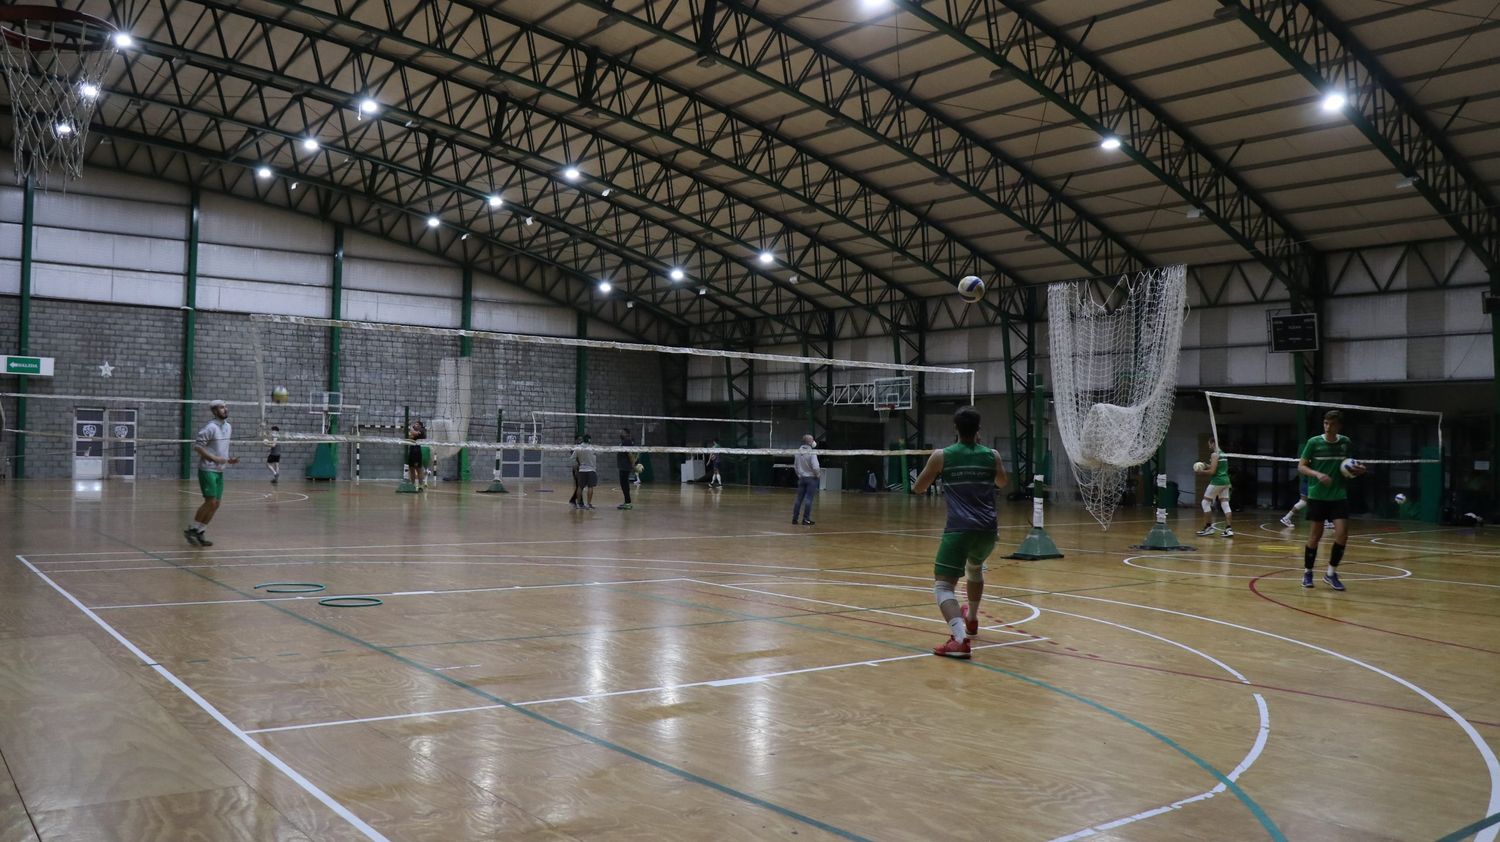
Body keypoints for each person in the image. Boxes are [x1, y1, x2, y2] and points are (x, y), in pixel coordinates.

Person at [913, 407, 1008, 659]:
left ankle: (959, 639)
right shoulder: (992, 455)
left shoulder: (942, 456)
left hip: (959, 529)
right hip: (988, 530)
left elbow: (919, 487)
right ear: (979, 431)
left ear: (955, 429)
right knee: (974, 569)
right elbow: (1002, 483)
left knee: (943, 587)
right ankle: (973, 619)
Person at [1298, 410, 1364, 590]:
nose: (1327, 427)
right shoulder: (1314, 442)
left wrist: (1358, 470)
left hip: (1338, 495)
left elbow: (1351, 465)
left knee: (1342, 534)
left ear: (1339, 426)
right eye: (1325, 423)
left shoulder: (1345, 442)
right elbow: (1301, 466)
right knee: (1315, 535)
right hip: (1317, 495)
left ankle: (1330, 573)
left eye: (1331, 424)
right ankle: (1308, 572)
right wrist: (1317, 474)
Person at [186, 399, 238, 546]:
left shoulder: (228, 427)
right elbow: (198, 447)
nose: (225, 410)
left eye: (226, 407)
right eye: (222, 408)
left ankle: (200, 531)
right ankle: (193, 529)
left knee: (216, 504)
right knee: (211, 502)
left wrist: (229, 459)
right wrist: (214, 458)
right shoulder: (210, 427)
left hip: (220, 470)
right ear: (215, 411)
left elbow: (222, 448)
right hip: (207, 469)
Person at [1194, 439, 1233, 538]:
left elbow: (1212, 472)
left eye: (1209, 444)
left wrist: (1200, 472)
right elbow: (1216, 467)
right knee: (1225, 504)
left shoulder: (1215, 454)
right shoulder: (1223, 454)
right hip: (1226, 481)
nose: (1209, 446)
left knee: (1205, 502)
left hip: (1217, 481)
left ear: (1213, 443)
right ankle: (1229, 529)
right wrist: (1206, 465)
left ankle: (1208, 527)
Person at [791, 434, 821, 525]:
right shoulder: (812, 452)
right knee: (808, 499)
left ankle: (794, 519)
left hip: (802, 478)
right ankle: (806, 519)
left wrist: (799, 475)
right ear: (809, 442)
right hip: (811, 478)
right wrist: (818, 474)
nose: (813, 442)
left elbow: (795, 466)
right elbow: (815, 466)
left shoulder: (798, 452)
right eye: (812, 440)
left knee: (798, 499)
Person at [572, 434, 598, 510]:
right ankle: (588, 504)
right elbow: (601, 452)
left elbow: (573, 457)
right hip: (591, 470)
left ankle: (578, 504)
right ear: (589, 440)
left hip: (582, 470)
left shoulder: (578, 448)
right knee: (590, 487)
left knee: (580, 487)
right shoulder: (592, 447)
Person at [616, 428, 636, 510]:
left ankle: (628, 503)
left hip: (625, 466)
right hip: (623, 466)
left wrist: (633, 464)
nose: (620, 433)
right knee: (623, 484)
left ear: (627, 433)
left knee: (625, 484)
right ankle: (627, 502)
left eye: (622, 432)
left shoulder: (627, 441)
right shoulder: (624, 442)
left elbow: (630, 454)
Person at [405, 420, 427, 491]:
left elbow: (414, 433)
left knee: (418, 469)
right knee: (411, 469)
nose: (415, 425)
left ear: (420, 426)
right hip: (411, 450)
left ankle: (421, 486)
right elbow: (409, 436)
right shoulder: (412, 430)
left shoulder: (422, 430)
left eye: (417, 424)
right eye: (415, 424)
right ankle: (413, 485)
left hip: (417, 451)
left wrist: (410, 427)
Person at [567, 433, 583, 508]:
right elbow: (576, 458)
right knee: (579, 486)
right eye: (579, 439)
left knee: (580, 486)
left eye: (581, 439)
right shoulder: (574, 448)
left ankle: (577, 501)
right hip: (576, 468)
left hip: (580, 468)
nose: (580, 441)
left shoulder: (581, 447)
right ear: (576, 440)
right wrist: (577, 468)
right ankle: (575, 501)